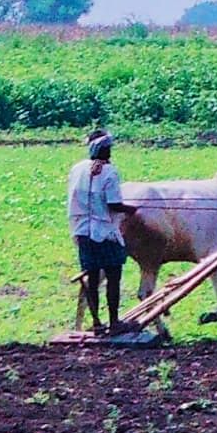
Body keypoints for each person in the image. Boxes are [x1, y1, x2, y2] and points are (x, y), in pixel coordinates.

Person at [67, 129, 138, 334]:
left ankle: (97, 322)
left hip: (82, 231)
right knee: (113, 276)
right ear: (106, 150)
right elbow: (114, 204)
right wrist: (131, 209)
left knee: (92, 276)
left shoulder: (77, 169)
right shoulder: (110, 172)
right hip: (104, 232)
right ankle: (115, 321)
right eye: (109, 149)